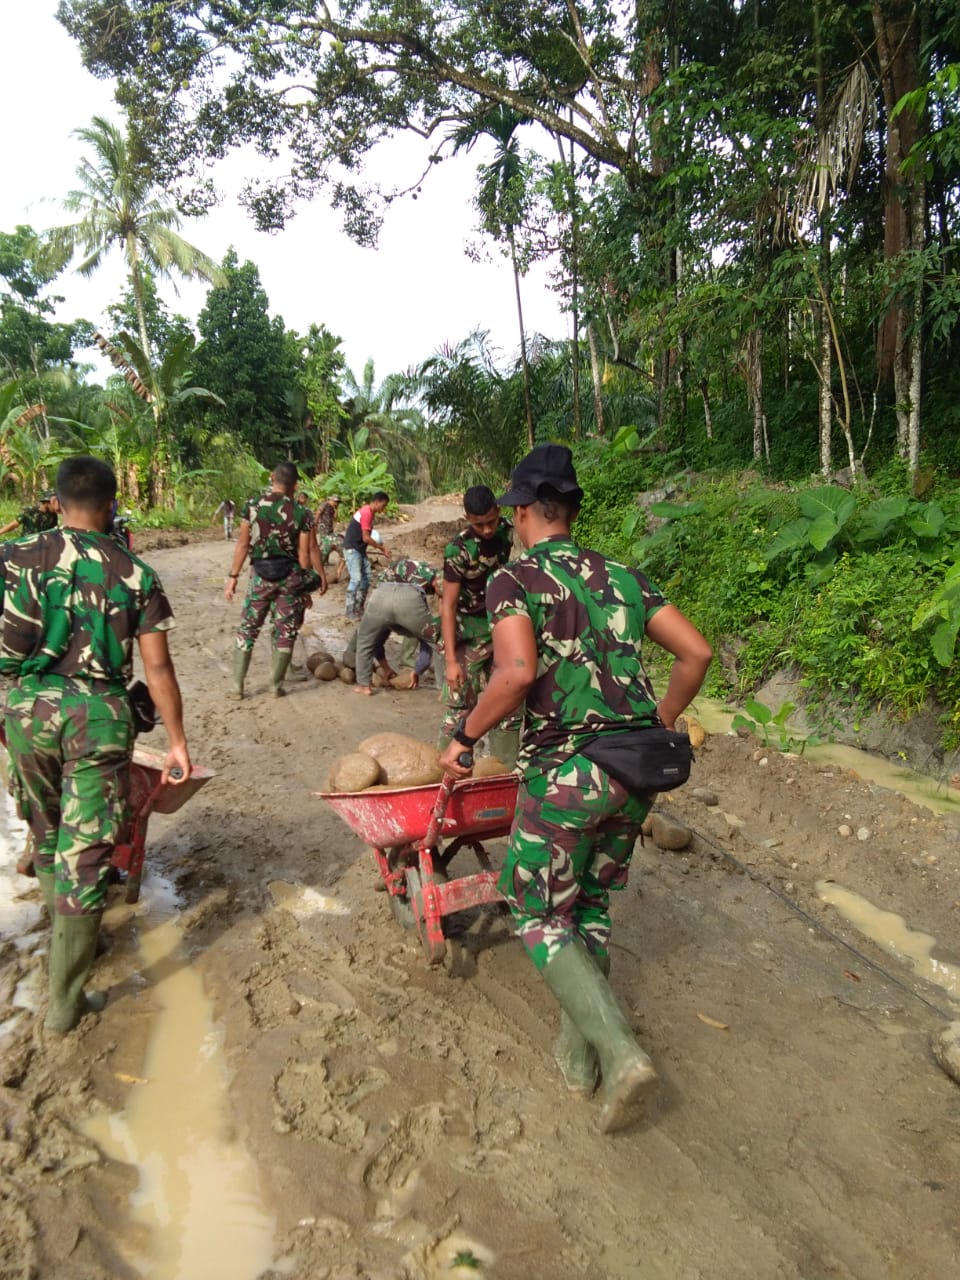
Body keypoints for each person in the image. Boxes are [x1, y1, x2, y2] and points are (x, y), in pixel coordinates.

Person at [438, 445, 712, 1134]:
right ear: (572, 511)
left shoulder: (514, 579)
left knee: (535, 909)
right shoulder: (623, 575)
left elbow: (515, 673)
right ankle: (578, 1057)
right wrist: (662, 720)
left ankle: (620, 1054)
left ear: (522, 512)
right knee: (586, 904)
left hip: (568, 771)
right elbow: (697, 652)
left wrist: (464, 737)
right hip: (637, 772)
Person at [0, 456, 190, 1033]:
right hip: (100, 718)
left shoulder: (12, 557)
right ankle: (66, 1003)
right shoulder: (136, 573)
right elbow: (158, 670)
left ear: (56, 502)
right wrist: (177, 743)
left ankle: (67, 935)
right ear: (111, 505)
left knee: (46, 831)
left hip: (26, 711)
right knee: (85, 857)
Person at [224, 463, 323, 698]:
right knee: (285, 631)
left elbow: (243, 545)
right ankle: (275, 686)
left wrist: (233, 577)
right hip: (290, 577)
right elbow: (304, 554)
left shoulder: (252, 506)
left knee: (248, 628)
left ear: (272, 477)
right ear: (295, 485)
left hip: (260, 575)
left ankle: (237, 687)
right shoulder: (302, 513)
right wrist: (304, 588)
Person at [439, 484, 520, 766]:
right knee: (460, 706)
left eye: (491, 522)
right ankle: (449, 772)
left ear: (498, 511)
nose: (486, 530)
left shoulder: (508, 531)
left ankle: (503, 771)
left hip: (502, 624)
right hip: (468, 630)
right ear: (467, 518)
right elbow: (448, 606)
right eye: (478, 525)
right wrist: (451, 661)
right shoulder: (458, 550)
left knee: (509, 702)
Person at [342, 557, 439, 694]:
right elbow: (428, 642)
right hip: (409, 599)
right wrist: (418, 670)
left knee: (366, 639)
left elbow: (375, 640)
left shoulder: (389, 573)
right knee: (437, 641)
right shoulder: (430, 574)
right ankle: (444, 687)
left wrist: (385, 667)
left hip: (382, 595)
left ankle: (363, 685)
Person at [342, 491, 391, 619]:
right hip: (353, 549)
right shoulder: (367, 513)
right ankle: (350, 610)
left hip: (358, 549)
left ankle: (359, 608)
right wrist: (382, 548)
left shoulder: (368, 512)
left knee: (367, 578)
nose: (383, 509)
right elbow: (366, 538)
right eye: (383, 505)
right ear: (377, 502)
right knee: (356, 579)